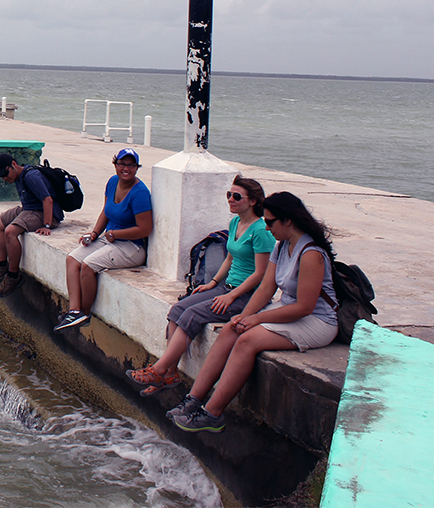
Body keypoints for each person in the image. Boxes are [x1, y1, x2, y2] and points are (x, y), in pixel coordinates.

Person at [169, 191, 338, 433]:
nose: (267, 228)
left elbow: (304, 307)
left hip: (317, 321)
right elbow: (267, 288)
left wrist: (257, 319)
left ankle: (212, 414)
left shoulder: (311, 253)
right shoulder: (281, 246)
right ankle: (192, 400)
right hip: (287, 310)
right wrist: (244, 316)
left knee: (247, 340)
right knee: (231, 328)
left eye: (270, 222)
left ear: (288, 220)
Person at [125, 176, 274, 395]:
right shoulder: (235, 223)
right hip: (226, 287)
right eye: (228, 195)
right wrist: (213, 283)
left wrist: (231, 297)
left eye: (236, 196)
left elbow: (261, 274)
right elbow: (230, 258)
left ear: (252, 201)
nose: (230, 200)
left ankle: (159, 369)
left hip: (247, 295)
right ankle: (170, 372)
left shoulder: (260, 231)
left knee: (192, 314)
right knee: (177, 309)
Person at [54, 148, 153, 330]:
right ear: (115, 164)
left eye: (131, 165)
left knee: (88, 265)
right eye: (122, 164)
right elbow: (106, 211)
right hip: (111, 239)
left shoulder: (139, 193)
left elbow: (145, 229)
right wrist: (94, 234)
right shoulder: (113, 182)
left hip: (131, 247)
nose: (126, 168)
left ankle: (84, 313)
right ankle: (74, 311)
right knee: (72, 259)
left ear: (137, 168)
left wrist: (116, 234)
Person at [0, 153, 61, 298]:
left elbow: (48, 200)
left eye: (5, 174)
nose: (5, 178)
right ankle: (2, 266)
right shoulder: (17, 176)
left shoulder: (31, 176)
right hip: (27, 209)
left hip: (42, 212)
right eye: (1, 176)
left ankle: (13, 276)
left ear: (14, 164)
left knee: (10, 232)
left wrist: (47, 225)